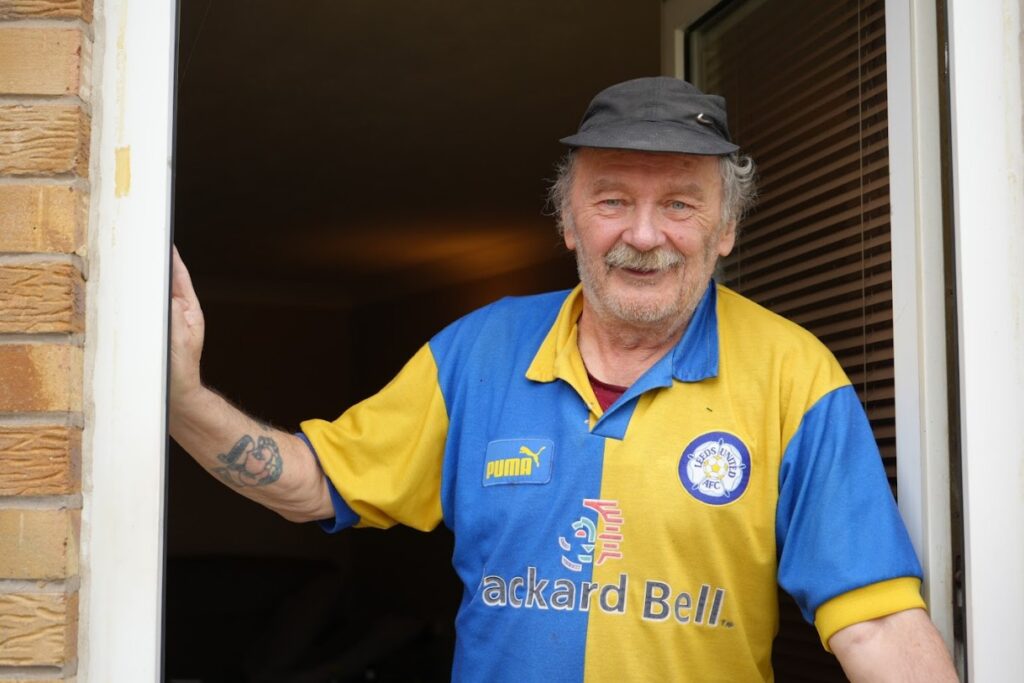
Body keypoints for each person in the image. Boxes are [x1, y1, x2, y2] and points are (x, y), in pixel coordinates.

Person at [170, 77, 958, 681]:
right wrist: (184, 402)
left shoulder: (794, 374)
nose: (644, 234)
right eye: (612, 199)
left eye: (681, 204)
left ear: (726, 232)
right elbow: (317, 482)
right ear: (568, 219)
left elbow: (876, 622)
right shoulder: (477, 352)